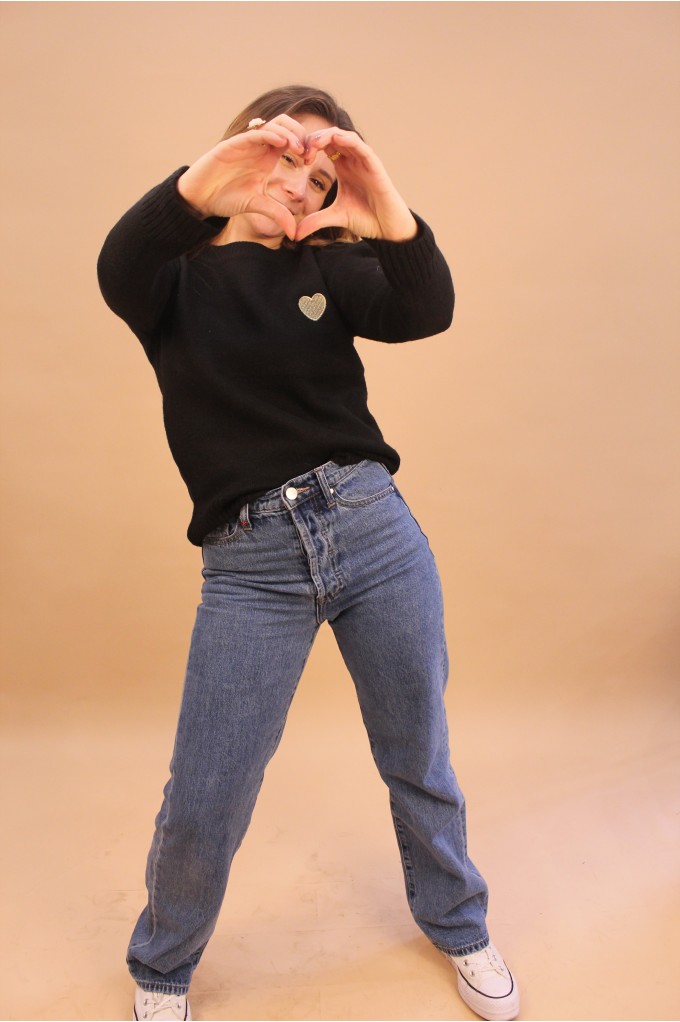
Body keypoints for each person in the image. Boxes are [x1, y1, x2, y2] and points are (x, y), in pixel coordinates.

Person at [97, 85, 520, 1022]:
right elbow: (118, 260)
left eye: (321, 179)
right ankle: (163, 967)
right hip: (250, 566)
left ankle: (460, 925)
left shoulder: (333, 267)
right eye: (286, 162)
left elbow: (428, 308)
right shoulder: (169, 280)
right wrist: (209, 180)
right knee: (209, 787)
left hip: (373, 532)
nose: (299, 188)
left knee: (418, 755)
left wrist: (377, 198)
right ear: (241, 154)